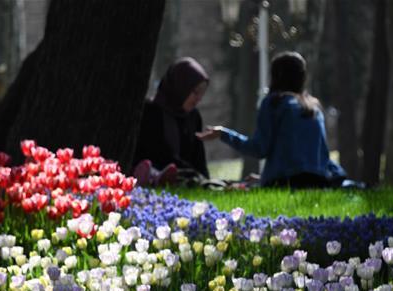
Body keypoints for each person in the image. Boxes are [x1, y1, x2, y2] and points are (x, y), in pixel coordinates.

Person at [197, 51, 346, 189]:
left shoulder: (275, 103)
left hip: (284, 182)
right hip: (318, 184)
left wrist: (223, 134)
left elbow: (259, 149)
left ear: (276, 76)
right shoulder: (314, 108)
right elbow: (317, 159)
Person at [133, 57, 211, 186]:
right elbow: (158, 154)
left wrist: (205, 180)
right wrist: (190, 173)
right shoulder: (151, 111)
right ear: (181, 87)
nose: (199, 99)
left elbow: (199, 158)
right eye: (195, 92)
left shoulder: (193, 116)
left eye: (201, 93)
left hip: (188, 177)